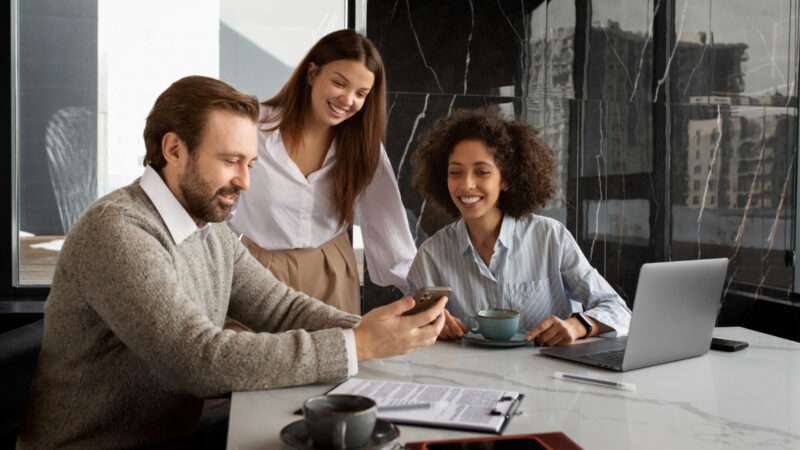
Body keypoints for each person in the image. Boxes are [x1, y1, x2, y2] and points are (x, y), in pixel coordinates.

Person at [16, 76, 446, 449]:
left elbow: (281, 308)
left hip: (174, 436)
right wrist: (358, 345)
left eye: (250, 163)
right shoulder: (119, 232)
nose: (244, 181)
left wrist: (384, 330)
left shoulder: (207, 227)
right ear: (174, 149)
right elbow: (200, 360)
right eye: (229, 161)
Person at [227, 29, 415, 314]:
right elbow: (218, 212)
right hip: (260, 272)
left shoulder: (364, 147)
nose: (348, 100)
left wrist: (423, 297)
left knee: (338, 345)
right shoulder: (253, 129)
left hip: (333, 274)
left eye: (361, 94)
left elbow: (388, 225)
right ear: (312, 73)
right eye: (339, 83)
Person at [407, 106, 630, 345]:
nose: (467, 184)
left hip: (548, 367)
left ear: (505, 179)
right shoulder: (431, 255)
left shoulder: (550, 237)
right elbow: (406, 328)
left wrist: (578, 326)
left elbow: (617, 309)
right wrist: (428, 326)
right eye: (455, 172)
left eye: (482, 172)